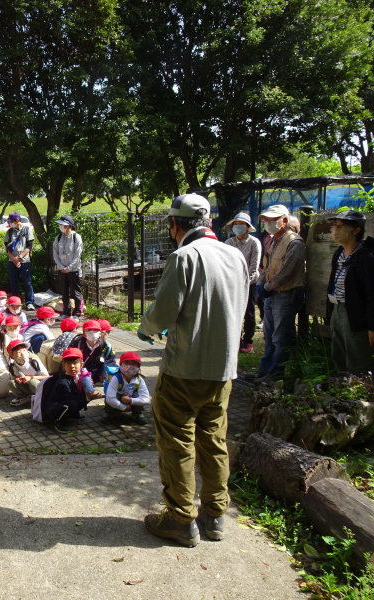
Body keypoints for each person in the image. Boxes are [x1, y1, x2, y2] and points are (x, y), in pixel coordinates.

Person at [137, 193, 247, 547]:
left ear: (175, 225)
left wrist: (147, 327)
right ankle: (214, 516)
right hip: (223, 368)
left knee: (177, 440)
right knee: (214, 440)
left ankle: (180, 519)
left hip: (185, 368)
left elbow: (163, 311)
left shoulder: (184, 256)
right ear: (208, 222)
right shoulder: (235, 255)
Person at [257, 204, 306, 381]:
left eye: (272, 220)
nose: (267, 223)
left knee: (280, 337)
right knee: (269, 336)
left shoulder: (294, 242)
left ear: (284, 221)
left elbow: (288, 271)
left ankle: (277, 374)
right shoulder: (275, 240)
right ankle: (265, 371)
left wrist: (267, 287)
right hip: (272, 295)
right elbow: (267, 265)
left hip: (286, 295)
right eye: (266, 220)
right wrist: (262, 283)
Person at [326, 210, 374, 374]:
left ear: (356, 230)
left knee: (357, 358)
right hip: (337, 308)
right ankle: (340, 392)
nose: (335, 229)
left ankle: (357, 393)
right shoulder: (339, 253)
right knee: (337, 355)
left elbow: (371, 295)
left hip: (355, 314)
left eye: (341, 226)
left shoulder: (366, 257)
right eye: (334, 225)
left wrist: (371, 327)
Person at [223, 212, 261, 354]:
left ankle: (248, 341)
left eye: (241, 224)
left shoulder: (254, 243)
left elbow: (254, 266)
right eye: (236, 224)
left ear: (247, 226)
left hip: (250, 284)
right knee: (233, 313)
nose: (238, 226)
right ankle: (236, 340)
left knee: (249, 313)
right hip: (233, 284)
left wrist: (246, 283)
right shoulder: (228, 243)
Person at [31, 347, 90, 432]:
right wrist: (88, 397)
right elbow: (73, 398)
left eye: (75, 363)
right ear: (63, 365)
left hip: (64, 403)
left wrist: (87, 389)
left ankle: (73, 415)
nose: (72, 366)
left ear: (82, 364)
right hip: (53, 410)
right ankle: (56, 422)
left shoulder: (80, 376)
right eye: (69, 364)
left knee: (79, 399)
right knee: (72, 403)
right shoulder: (62, 382)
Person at [104, 352, 150, 424]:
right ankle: (112, 415)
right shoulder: (116, 378)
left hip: (130, 399)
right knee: (108, 399)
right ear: (121, 365)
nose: (129, 366)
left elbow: (146, 399)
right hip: (118, 398)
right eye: (127, 363)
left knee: (137, 395)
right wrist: (123, 407)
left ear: (138, 367)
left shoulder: (139, 380)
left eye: (133, 364)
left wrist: (131, 400)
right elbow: (110, 398)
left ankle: (137, 414)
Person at [53, 215, 84, 317]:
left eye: (62, 224)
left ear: (69, 225)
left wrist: (69, 268)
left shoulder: (76, 237)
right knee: (64, 292)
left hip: (74, 270)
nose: (60, 226)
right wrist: (61, 266)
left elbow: (77, 256)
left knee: (76, 292)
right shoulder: (58, 238)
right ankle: (66, 312)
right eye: (60, 224)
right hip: (61, 270)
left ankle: (77, 313)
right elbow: (55, 253)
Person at [4, 212, 36, 310]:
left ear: (17, 221)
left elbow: (29, 247)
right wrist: (14, 259)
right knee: (14, 282)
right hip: (12, 261)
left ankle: (29, 302)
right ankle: (16, 302)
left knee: (27, 282)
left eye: (12, 221)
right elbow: (7, 248)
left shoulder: (27, 230)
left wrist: (19, 257)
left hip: (25, 261)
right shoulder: (9, 232)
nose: (10, 223)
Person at [7, 339, 49, 407]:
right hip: (27, 386)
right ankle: (25, 397)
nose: (22, 353)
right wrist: (17, 379)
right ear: (12, 355)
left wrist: (30, 378)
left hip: (40, 386)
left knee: (32, 382)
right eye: (19, 351)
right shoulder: (13, 366)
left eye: (24, 350)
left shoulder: (33, 361)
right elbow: (14, 377)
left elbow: (47, 376)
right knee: (11, 383)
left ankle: (41, 398)